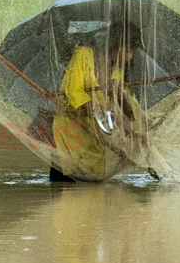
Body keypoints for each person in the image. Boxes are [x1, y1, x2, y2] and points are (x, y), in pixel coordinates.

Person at [50, 34, 140, 182]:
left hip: (94, 136)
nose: (130, 57)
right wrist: (105, 111)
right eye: (128, 50)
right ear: (113, 44)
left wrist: (119, 95)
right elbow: (74, 91)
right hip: (69, 130)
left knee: (92, 188)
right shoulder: (83, 55)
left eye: (133, 52)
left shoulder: (118, 69)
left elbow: (130, 110)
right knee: (64, 186)